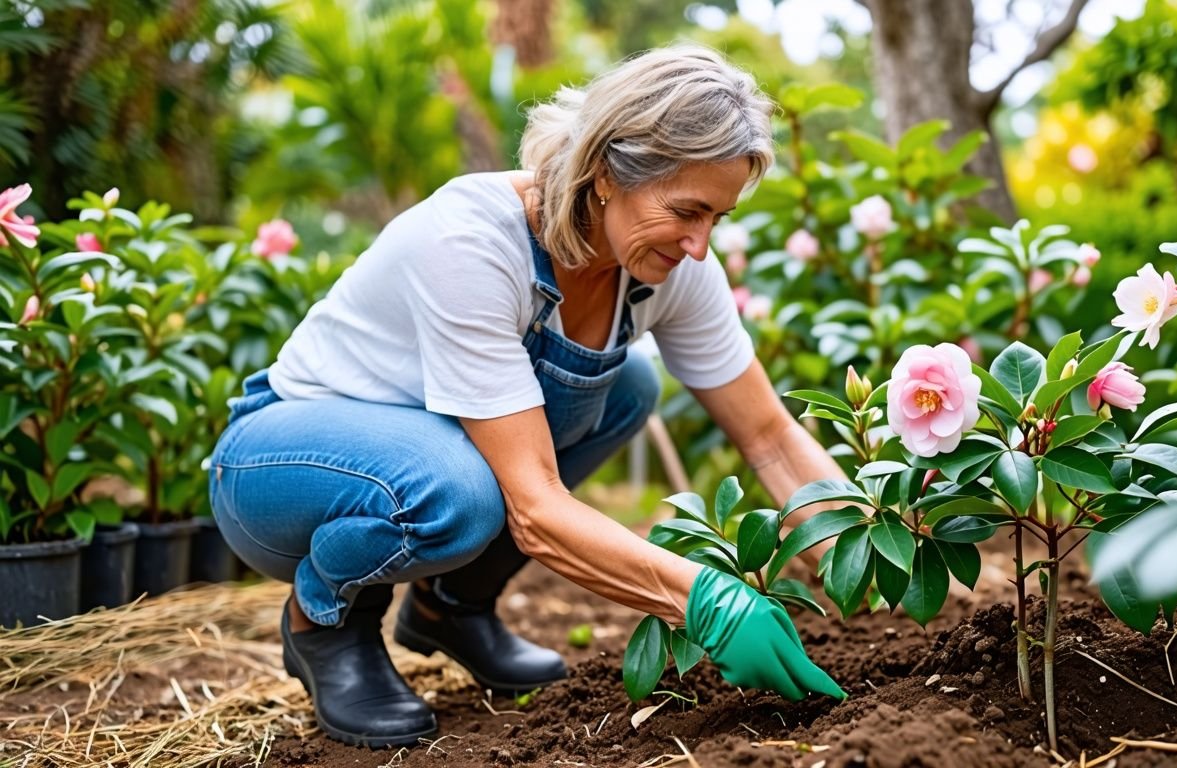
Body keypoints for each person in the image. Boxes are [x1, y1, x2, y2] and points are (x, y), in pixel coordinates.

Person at [208, 45, 851, 749]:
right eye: (687, 210)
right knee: (458, 493)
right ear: (606, 173)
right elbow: (537, 508)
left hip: (425, 452)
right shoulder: (473, 242)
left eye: (717, 218)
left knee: (627, 386)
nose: (700, 246)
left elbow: (769, 436)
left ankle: (451, 605)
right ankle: (322, 622)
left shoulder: (670, 264)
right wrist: (707, 604)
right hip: (279, 464)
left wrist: (862, 544)